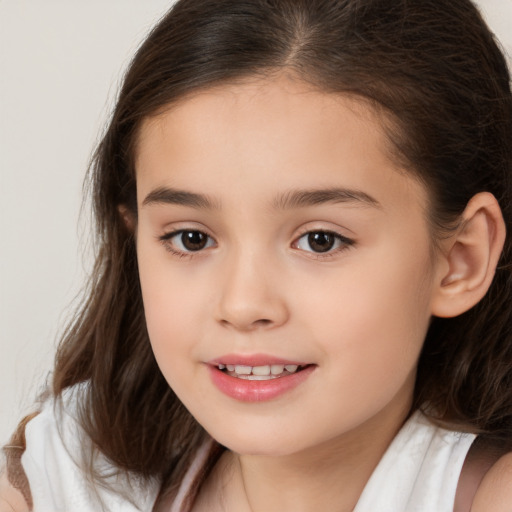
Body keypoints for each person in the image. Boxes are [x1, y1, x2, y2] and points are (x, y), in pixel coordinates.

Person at [1, 0, 512, 510]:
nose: (244, 305)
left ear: (459, 260)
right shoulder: (70, 478)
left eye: (320, 240)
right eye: (191, 238)